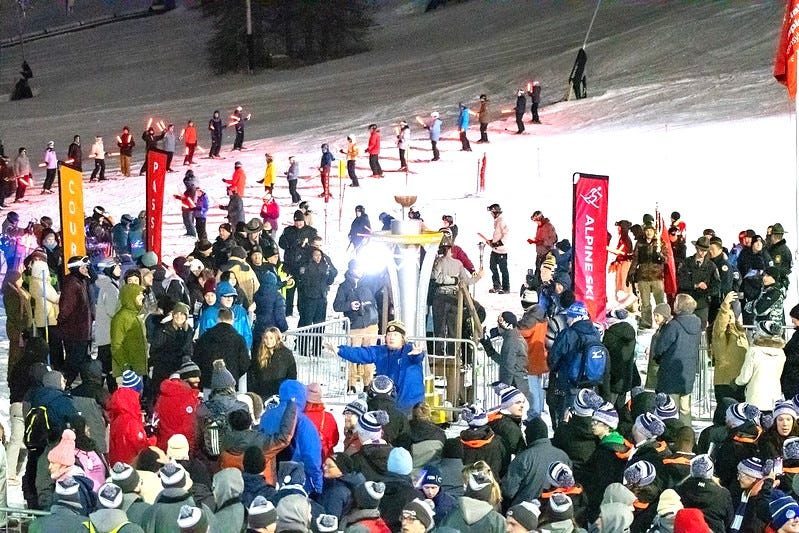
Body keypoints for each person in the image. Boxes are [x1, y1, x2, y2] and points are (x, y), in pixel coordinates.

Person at [330, 320, 426, 412]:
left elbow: (417, 358)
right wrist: (340, 350)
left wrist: (418, 354)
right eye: (389, 335)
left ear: (402, 338)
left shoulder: (410, 350)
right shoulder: (380, 351)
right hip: (389, 404)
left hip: (412, 404)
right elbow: (361, 353)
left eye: (395, 335)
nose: (391, 337)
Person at [653, 294, 702, 425]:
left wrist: (657, 358)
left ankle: (673, 433)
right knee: (685, 409)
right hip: (688, 371)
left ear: (680, 306)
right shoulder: (697, 323)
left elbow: (660, 348)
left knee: (671, 408)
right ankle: (686, 433)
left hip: (670, 372)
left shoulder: (673, 326)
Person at [333, 260, 380, 391]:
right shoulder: (344, 286)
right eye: (357, 269)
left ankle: (368, 383)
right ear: (351, 270)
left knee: (370, 355)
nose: (360, 271)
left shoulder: (369, 282)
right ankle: (351, 382)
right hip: (355, 326)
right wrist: (350, 305)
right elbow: (337, 306)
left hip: (371, 324)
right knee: (353, 355)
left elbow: (380, 286)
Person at [734, 320, 786, 411]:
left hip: (755, 398)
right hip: (774, 397)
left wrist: (736, 382)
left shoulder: (754, 351)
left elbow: (745, 377)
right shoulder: (781, 353)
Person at [58, 255, 93, 384]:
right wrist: (61, 322)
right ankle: (66, 384)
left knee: (80, 361)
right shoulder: (72, 284)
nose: (86, 269)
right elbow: (66, 308)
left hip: (82, 331)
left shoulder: (81, 281)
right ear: (76, 268)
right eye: (83, 267)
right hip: (75, 332)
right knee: (73, 362)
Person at [278, 210, 318, 316]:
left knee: (302, 291)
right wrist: (291, 244)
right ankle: (288, 311)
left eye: (300, 221)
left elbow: (315, 246)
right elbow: (281, 243)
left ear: (304, 221)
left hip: (304, 267)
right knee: (289, 289)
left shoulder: (311, 231)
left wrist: (306, 244)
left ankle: (302, 311)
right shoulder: (288, 230)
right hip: (290, 266)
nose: (298, 224)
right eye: (296, 221)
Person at [712, 291, 748, 403]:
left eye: (731, 315)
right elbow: (720, 325)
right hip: (725, 383)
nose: (730, 318)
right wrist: (725, 306)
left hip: (739, 383)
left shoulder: (740, 333)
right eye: (728, 315)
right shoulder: (721, 335)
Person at [628, 223, 666, 329]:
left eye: (651, 230)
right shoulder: (640, 243)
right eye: (647, 230)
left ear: (654, 232)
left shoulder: (660, 243)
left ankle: (662, 322)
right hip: (643, 276)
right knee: (645, 302)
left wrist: (660, 254)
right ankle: (646, 322)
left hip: (657, 276)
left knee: (660, 302)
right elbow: (635, 259)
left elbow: (666, 259)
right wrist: (631, 273)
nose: (649, 232)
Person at [677, 236, 720, 328]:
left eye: (705, 251)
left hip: (702, 304)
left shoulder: (711, 266)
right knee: (684, 328)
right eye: (700, 250)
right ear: (696, 248)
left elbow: (716, 286)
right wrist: (695, 285)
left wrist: (707, 291)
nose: (702, 253)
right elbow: (681, 282)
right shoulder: (686, 263)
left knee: (701, 328)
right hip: (686, 303)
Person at [111, 283, 148, 379]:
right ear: (130, 296)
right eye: (139, 294)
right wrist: (125, 367)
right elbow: (116, 345)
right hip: (126, 373)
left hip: (138, 370)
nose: (142, 297)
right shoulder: (120, 317)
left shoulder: (136, 315)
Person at [296, 246, 338, 331]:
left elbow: (330, 280)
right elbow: (303, 280)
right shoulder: (306, 265)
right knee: (306, 321)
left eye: (320, 255)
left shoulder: (325, 265)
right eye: (316, 255)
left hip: (322, 297)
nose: (318, 257)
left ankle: (318, 339)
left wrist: (331, 274)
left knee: (320, 322)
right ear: (312, 256)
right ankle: (303, 339)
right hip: (309, 297)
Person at [485, 203, 510, 294]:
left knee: (503, 270)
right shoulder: (496, 221)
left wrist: (498, 243)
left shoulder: (502, 221)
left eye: (492, 213)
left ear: (496, 212)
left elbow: (506, 234)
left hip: (502, 251)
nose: (491, 214)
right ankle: (497, 286)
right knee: (492, 267)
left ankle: (506, 288)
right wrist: (492, 241)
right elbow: (497, 235)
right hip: (495, 250)